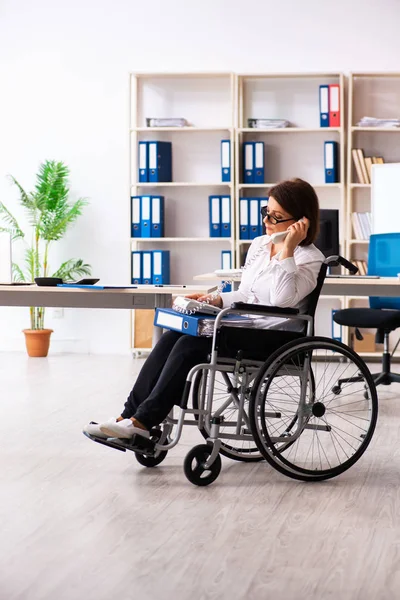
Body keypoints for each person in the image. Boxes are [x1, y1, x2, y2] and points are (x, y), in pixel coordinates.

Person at [83, 178, 325, 441]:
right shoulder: (260, 245)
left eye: (276, 217)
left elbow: (281, 299)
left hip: (274, 339)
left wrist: (287, 250)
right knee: (171, 338)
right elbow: (246, 292)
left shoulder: (310, 258)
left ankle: (143, 422)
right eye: (266, 212)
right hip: (244, 326)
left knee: (190, 345)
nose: (267, 221)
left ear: (302, 222)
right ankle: (127, 417)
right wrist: (214, 299)